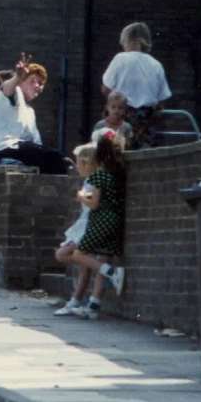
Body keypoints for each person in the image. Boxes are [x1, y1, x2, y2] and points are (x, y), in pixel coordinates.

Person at [58, 131, 129, 319]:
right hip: (114, 220)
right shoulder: (115, 174)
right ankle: (93, 307)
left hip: (100, 220)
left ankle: (113, 272)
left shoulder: (99, 176)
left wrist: (81, 196)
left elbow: (94, 202)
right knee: (101, 259)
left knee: (79, 254)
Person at [0, 54, 73, 174]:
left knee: (58, 160)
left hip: (15, 149)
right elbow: (7, 88)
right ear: (21, 82)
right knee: (54, 158)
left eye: (41, 83)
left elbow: (35, 142)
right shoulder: (13, 94)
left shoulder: (30, 112)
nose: (37, 86)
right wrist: (17, 76)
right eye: (32, 81)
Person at [101, 21, 171, 148]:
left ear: (128, 40)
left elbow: (106, 88)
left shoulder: (120, 59)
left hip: (121, 117)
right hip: (148, 123)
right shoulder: (156, 65)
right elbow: (162, 100)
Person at [53, 142, 99, 316]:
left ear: (88, 163)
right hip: (83, 224)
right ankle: (75, 300)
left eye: (79, 162)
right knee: (83, 267)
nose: (76, 166)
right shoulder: (89, 179)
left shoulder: (95, 179)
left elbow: (93, 199)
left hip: (88, 226)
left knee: (62, 254)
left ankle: (102, 269)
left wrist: (81, 195)